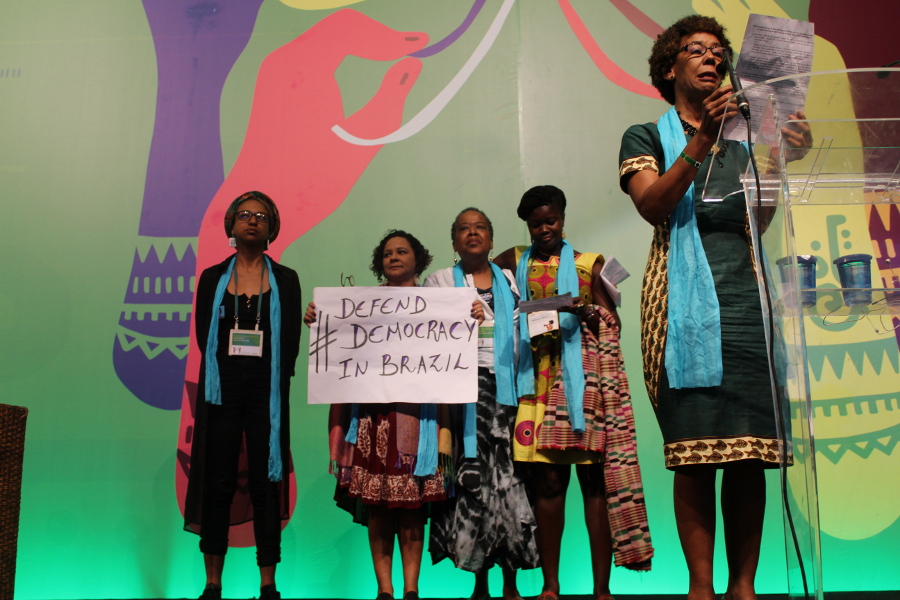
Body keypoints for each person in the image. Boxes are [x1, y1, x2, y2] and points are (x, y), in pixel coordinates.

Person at [618, 15, 809, 600]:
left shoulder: (744, 139)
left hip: (747, 298)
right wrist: (703, 137)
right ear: (669, 66)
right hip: (682, 305)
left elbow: (758, 221)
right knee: (695, 451)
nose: (712, 57)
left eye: (718, 50)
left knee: (749, 451)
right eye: (696, 49)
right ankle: (700, 587)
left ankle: (742, 587)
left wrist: (781, 157)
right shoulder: (644, 136)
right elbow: (653, 205)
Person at [494, 186, 653, 600]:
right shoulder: (513, 260)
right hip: (535, 384)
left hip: (582, 386)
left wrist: (583, 310)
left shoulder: (590, 263)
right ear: (527, 226)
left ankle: (602, 589)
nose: (544, 229)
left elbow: (612, 325)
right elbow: (481, 284)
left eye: (551, 220)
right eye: (536, 224)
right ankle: (550, 586)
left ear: (563, 218)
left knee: (594, 484)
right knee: (547, 484)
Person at [305, 230, 446, 600]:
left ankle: (411, 589)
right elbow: (339, 345)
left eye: (402, 251)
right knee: (378, 507)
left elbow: (454, 344)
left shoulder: (438, 305)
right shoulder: (361, 305)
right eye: (387, 253)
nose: (394, 257)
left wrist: (472, 315)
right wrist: (321, 320)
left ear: (418, 259)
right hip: (372, 420)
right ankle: (384, 590)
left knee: (412, 507)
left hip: (417, 421)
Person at [184, 191, 302, 600]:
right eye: (246, 214)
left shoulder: (286, 279)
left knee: (266, 482)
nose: (253, 220)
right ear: (231, 224)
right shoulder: (212, 278)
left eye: (262, 216)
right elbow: (204, 335)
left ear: (272, 229)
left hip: (267, 391)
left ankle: (268, 583)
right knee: (217, 480)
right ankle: (212, 582)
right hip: (222, 390)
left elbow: (290, 342)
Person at [425, 208, 540, 600]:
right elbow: (423, 330)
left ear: (491, 239)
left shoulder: (509, 279)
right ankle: (479, 581)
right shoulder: (439, 280)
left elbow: (524, 326)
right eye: (464, 228)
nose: (472, 233)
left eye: (480, 228)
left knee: (511, 480)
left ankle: (510, 581)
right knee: (474, 481)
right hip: (464, 393)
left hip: (508, 389)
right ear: (454, 240)